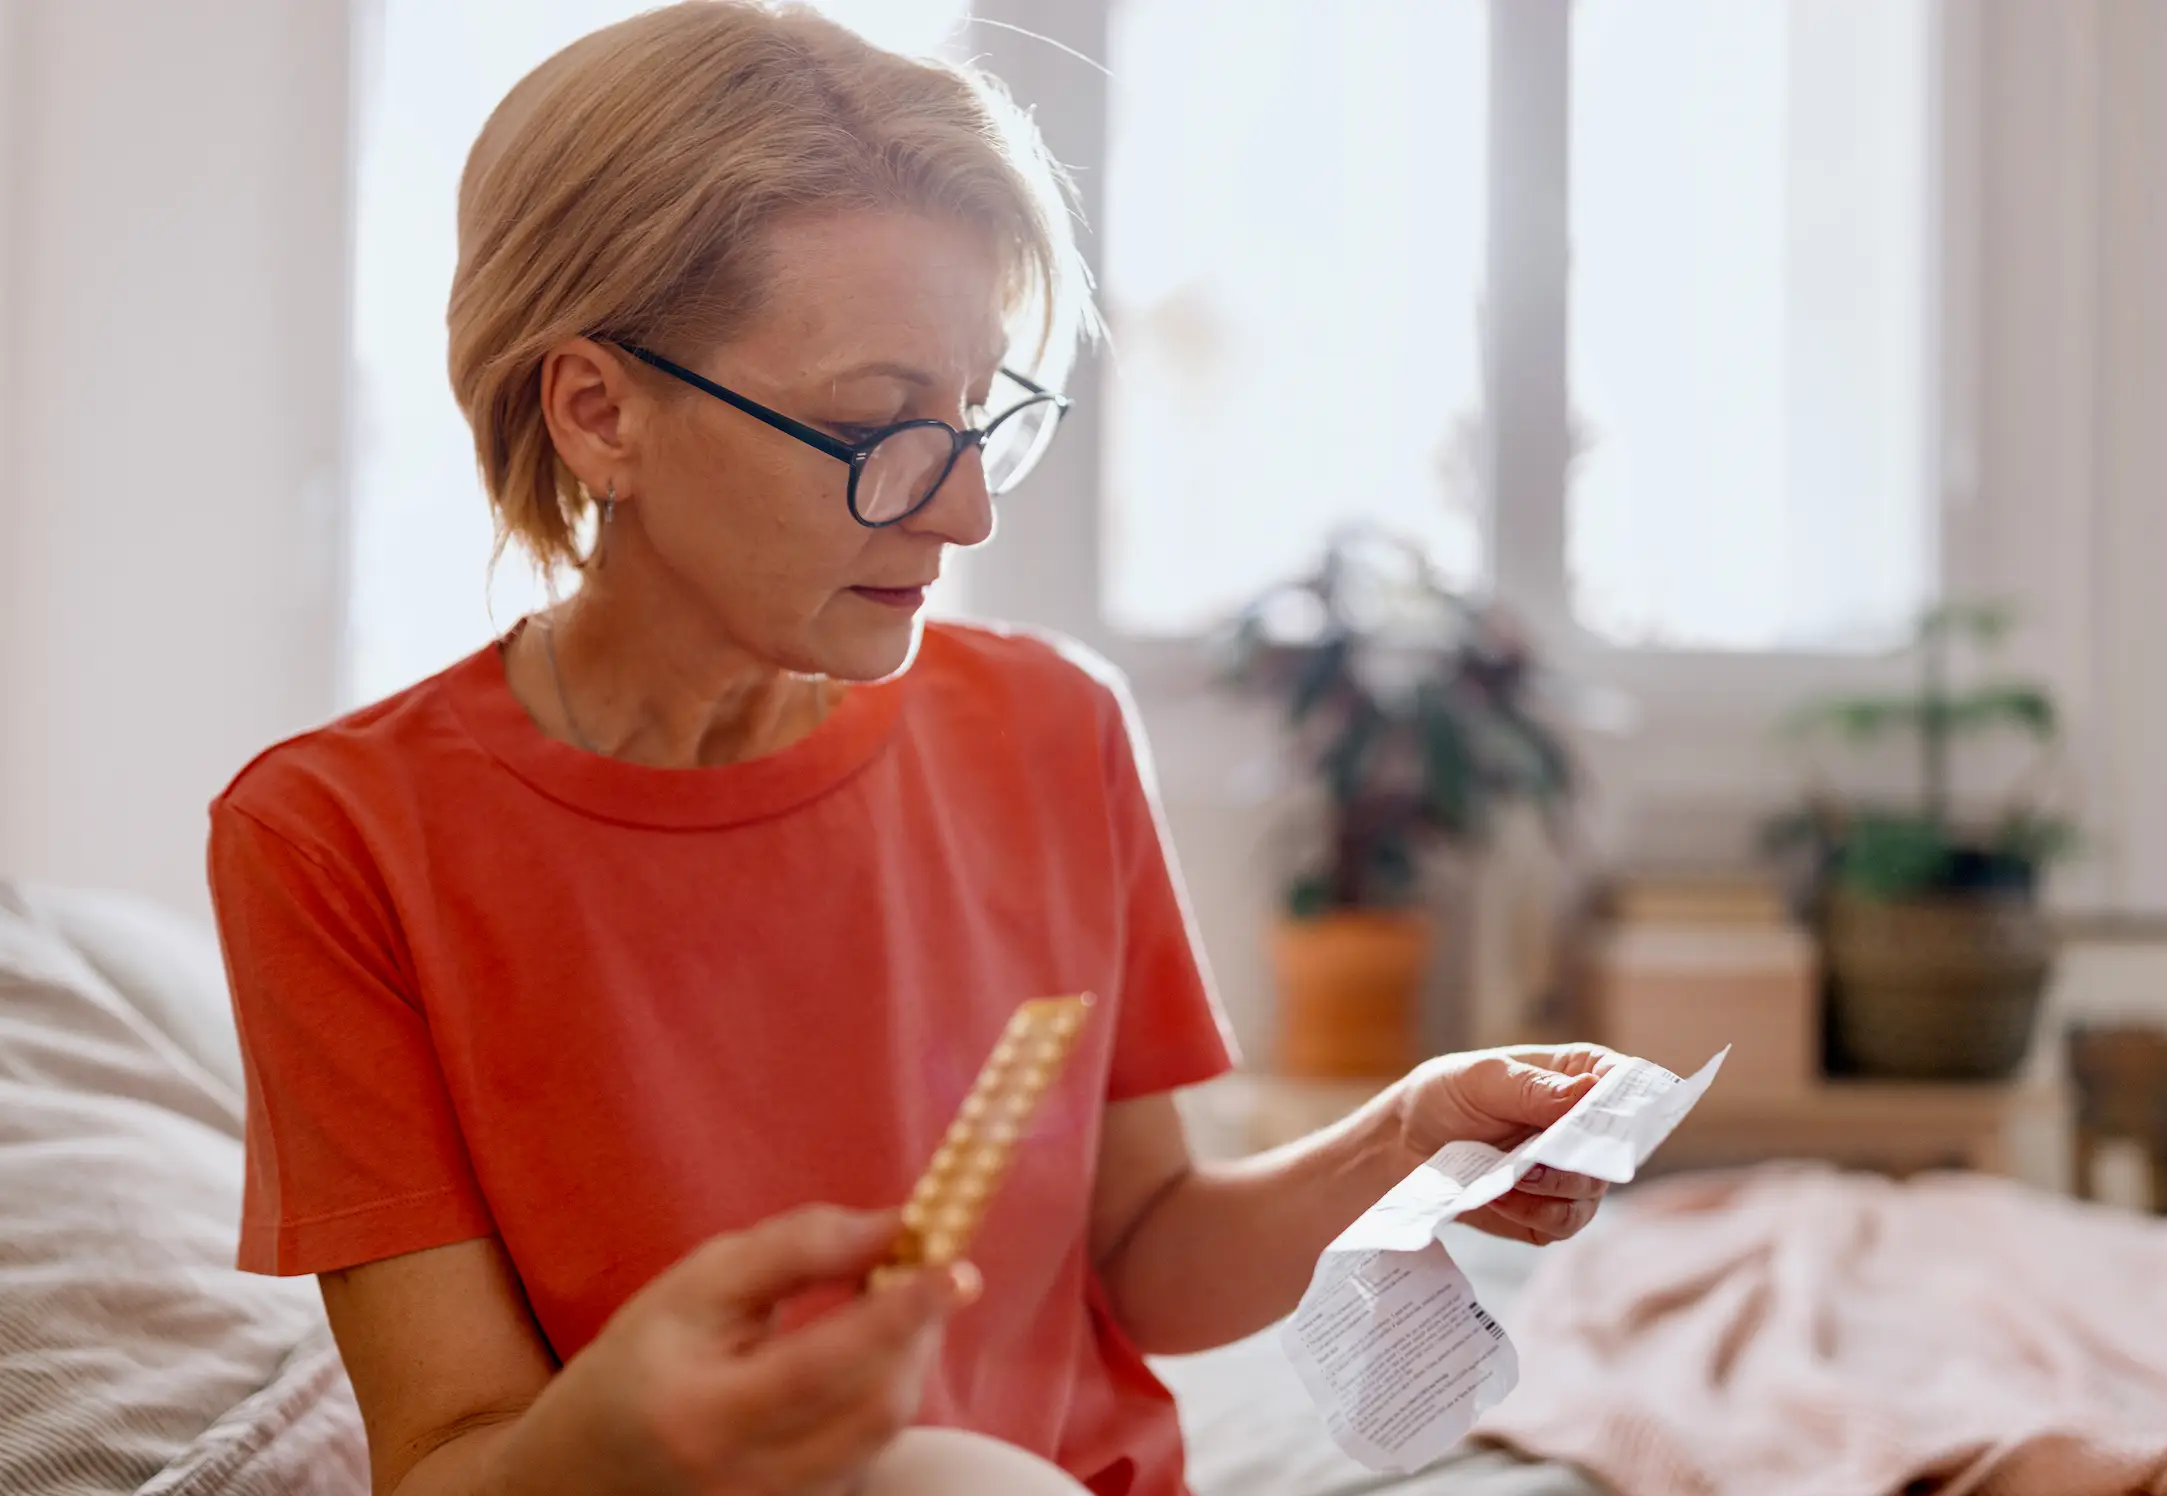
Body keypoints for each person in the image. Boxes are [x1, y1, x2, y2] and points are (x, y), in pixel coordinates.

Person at [206, 5, 1621, 1494]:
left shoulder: (1048, 730)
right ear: (598, 412)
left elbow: (1148, 1263)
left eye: (977, 416)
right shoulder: (335, 843)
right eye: (882, 429)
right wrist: (628, 1433)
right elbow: (449, 1460)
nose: (965, 515)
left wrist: (1409, 1134)